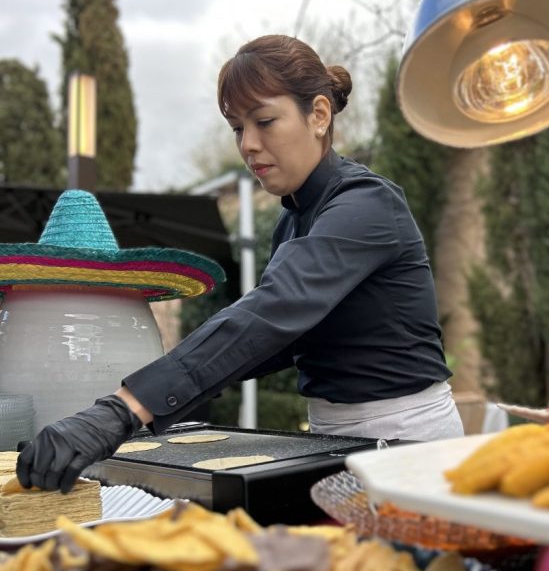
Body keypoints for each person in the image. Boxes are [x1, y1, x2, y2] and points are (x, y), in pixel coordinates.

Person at [17, 34, 463, 493]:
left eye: (265, 121)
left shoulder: (367, 204)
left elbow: (271, 312)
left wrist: (124, 410)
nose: (248, 144)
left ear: (319, 115)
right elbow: (272, 340)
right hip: (334, 437)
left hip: (408, 440)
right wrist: (158, 389)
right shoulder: (292, 222)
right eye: (237, 127)